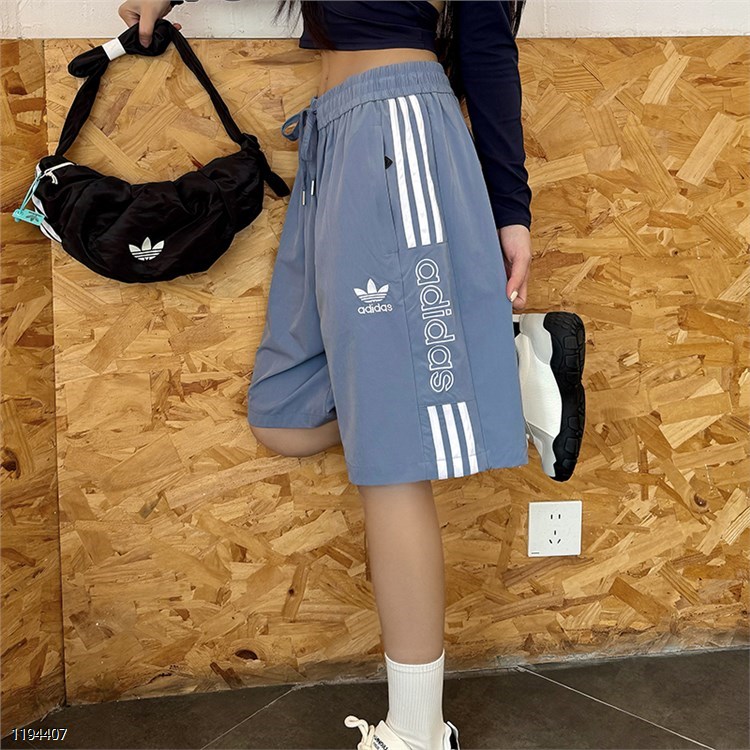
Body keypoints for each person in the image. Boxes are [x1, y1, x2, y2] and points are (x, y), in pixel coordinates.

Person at [118, 2, 532, 749]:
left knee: (390, 463)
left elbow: (487, 50)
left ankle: (417, 733)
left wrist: (513, 212)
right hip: (339, 137)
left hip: (396, 131)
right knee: (283, 415)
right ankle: (489, 383)